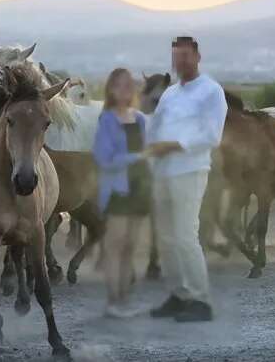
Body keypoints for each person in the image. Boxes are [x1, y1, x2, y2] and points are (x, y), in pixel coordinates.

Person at [146, 36, 228, 323]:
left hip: (190, 171)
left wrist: (174, 145)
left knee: (184, 236)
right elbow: (155, 127)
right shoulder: (170, 94)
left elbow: (212, 135)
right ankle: (179, 294)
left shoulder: (211, 91)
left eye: (185, 56)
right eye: (176, 57)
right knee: (166, 238)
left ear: (197, 57)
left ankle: (200, 300)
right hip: (163, 172)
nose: (180, 62)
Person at [92, 68, 152, 318]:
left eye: (129, 85)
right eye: (118, 85)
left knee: (130, 246)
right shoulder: (106, 119)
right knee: (115, 246)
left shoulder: (139, 118)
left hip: (140, 188)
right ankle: (113, 301)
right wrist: (137, 157)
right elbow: (103, 159)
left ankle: (125, 299)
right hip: (118, 190)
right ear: (111, 90)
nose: (125, 90)